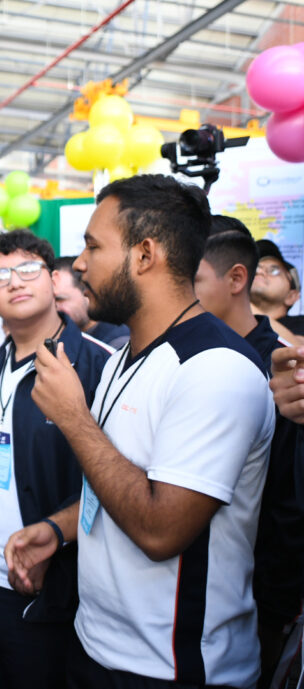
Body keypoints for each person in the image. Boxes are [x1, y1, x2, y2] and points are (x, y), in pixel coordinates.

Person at [7, 174, 274, 688]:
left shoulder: (215, 367)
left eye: (92, 246)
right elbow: (124, 474)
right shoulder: (126, 356)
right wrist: (61, 529)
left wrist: (74, 417)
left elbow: (160, 529)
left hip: (171, 671)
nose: (79, 263)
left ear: (145, 254)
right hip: (96, 646)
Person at [0, 231, 113, 688]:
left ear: (53, 278)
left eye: (27, 269)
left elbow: (122, 481)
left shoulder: (99, 365)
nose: (14, 282)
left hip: (44, 584)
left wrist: (58, 535)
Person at [194, 216, 300, 688]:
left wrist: (271, 608)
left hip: (252, 607)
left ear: (237, 278)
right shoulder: (183, 354)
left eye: (190, 279)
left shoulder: (283, 365)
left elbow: (287, 505)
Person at [55, 256, 130, 349]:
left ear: (86, 292)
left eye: (59, 299)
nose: (54, 308)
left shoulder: (117, 343)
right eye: (50, 301)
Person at [251, 239, 304, 339]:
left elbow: (299, 349)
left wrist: (244, 308)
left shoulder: (300, 324)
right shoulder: (226, 324)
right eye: (256, 268)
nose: (260, 272)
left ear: (291, 296)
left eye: (274, 270)